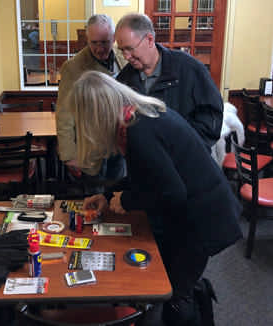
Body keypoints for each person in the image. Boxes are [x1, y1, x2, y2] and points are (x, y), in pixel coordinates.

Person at [68, 71, 242, 326]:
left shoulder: (140, 131)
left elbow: (171, 192)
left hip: (203, 218)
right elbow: (148, 175)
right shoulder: (136, 117)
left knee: (175, 294)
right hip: (192, 212)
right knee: (174, 281)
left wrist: (126, 201)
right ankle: (195, 299)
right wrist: (107, 196)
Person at [115, 13, 223, 150]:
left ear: (149, 40)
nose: (126, 56)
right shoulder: (124, 80)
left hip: (186, 161)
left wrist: (187, 147)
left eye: (129, 49)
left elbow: (211, 117)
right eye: (122, 50)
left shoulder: (190, 69)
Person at [56, 14, 127, 193]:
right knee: (94, 203)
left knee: (118, 198)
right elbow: (64, 114)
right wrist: (69, 155)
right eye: (94, 42)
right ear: (87, 39)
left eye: (104, 42)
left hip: (120, 146)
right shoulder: (73, 67)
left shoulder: (124, 56)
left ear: (113, 39)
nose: (99, 48)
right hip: (91, 151)